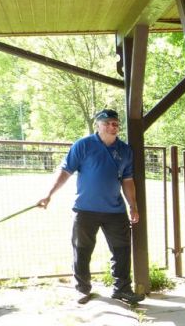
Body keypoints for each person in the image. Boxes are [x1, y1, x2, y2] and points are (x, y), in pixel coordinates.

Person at [37, 109, 145, 305]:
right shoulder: (83, 145)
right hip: (85, 209)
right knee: (82, 250)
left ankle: (122, 289)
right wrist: (48, 194)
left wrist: (133, 206)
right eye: (107, 123)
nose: (112, 127)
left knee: (121, 250)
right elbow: (65, 171)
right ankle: (82, 289)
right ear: (98, 125)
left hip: (115, 210)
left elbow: (127, 180)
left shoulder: (125, 150)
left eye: (115, 123)